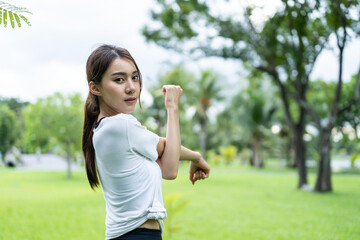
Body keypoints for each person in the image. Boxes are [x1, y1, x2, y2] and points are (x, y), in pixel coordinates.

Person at [82, 44, 210, 240]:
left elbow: (167, 151)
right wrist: (172, 106)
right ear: (95, 88)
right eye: (119, 80)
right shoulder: (121, 126)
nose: (131, 87)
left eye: (135, 77)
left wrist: (195, 156)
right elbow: (170, 169)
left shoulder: (104, 129)